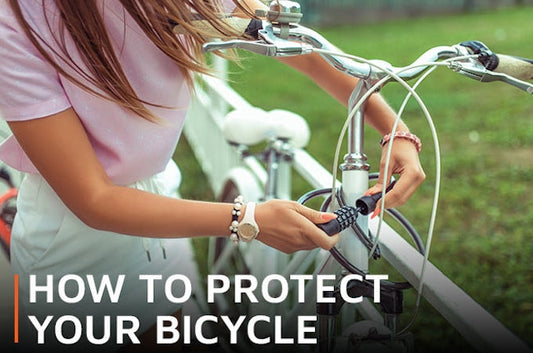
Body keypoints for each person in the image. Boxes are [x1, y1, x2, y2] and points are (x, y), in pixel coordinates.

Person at [0, 0, 425, 351]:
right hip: (75, 237)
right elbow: (92, 199)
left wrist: (394, 129)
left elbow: (305, 49)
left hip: (160, 200)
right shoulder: (16, 19)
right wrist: (246, 219)